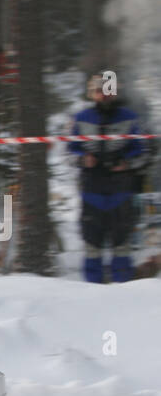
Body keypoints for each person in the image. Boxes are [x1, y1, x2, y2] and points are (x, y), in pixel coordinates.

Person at [68, 75, 145, 282]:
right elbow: (69, 151)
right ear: (92, 93)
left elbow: (142, 152)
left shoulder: (129, 117)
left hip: (121, 189)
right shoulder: (82, 117)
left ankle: (124, 288)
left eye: (109, 90)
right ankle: (92, 290)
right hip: (91, 189)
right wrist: (84, 160)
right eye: (100, 90)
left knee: (121, 243)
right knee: (92, 244)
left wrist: (127, 163)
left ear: (116, 92)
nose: (105, 95)